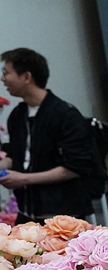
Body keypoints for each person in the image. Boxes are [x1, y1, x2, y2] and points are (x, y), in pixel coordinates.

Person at [0, 47, 98, 221]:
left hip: (63, 215)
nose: (3, 79)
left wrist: (23, 179)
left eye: (6, 73)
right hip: (27, 212)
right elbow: (17, 156)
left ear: (26, 77)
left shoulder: (65, 115)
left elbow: (75, 167)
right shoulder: (18, 115)